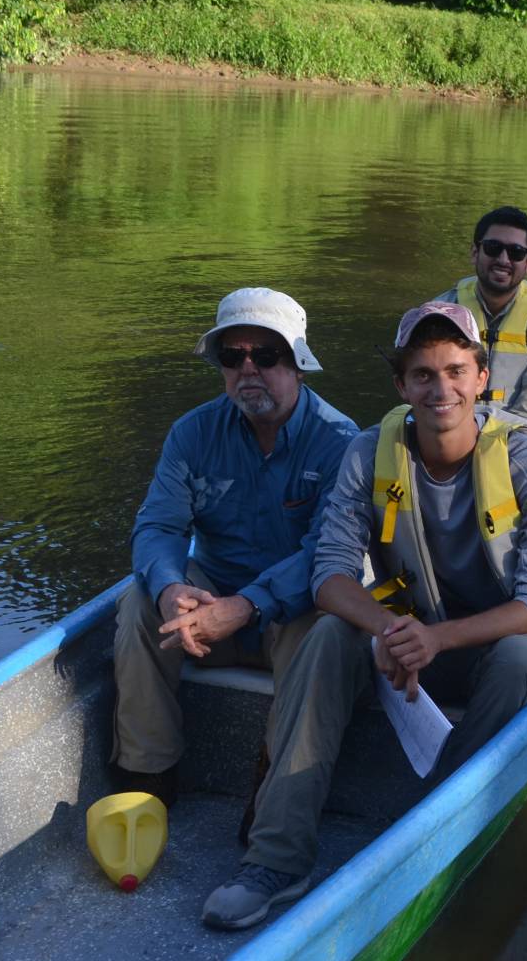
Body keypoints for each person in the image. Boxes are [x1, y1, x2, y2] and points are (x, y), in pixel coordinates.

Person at [201, 302, 527, 931]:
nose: (440, 388)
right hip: (418, 631)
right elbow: (329, 576)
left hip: (503, 636)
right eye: (422, 374)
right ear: (401, 385)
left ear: (480, 375)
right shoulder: (369, 454)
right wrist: (392, 630)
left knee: (524, 660)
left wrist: (434, 638)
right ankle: (276, 859)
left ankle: (436, 830)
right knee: (331, 632)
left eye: (454, 371)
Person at [110, 288, 359, 809]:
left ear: (299, 365)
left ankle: (274, 790)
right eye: (233, 356)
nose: (248, 369)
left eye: (265, 355)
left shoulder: (341, 441)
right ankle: (146, 780)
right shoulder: (191, 434)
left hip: (291, 613)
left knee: (324, 626)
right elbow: (158, 526)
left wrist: (244, 607)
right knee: (138, 604)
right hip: (210, 604)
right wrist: (172, 587)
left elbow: (328, 552)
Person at [432, 206, 527, 430]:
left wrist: (490, 441)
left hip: (516, 438)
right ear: (475, 252)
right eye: (493, 248)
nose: (504, 259)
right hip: (447, 432)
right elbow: (427, 393)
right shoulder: (438, 314)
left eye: (516, 252)